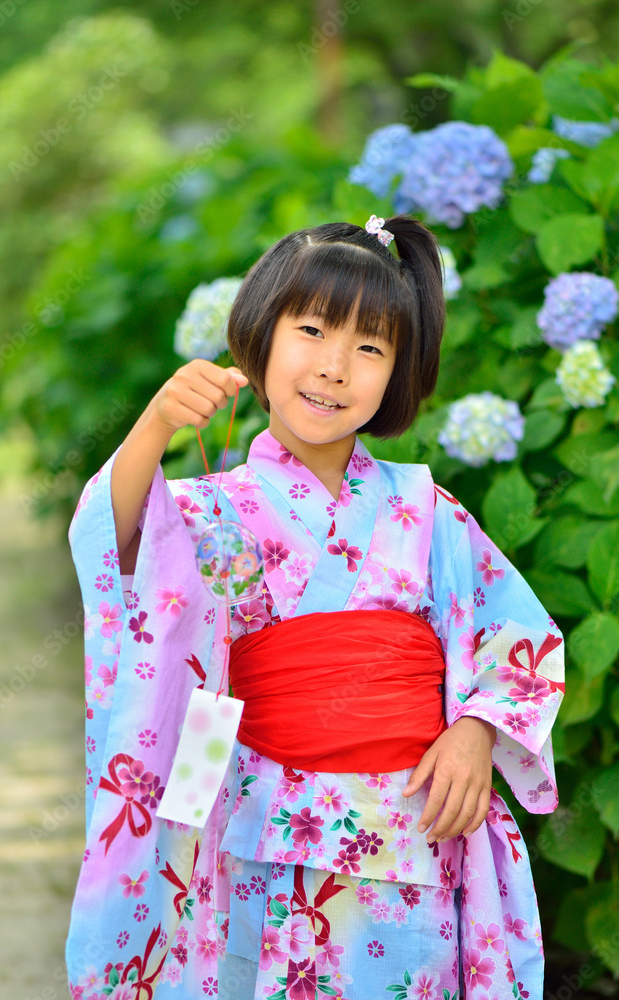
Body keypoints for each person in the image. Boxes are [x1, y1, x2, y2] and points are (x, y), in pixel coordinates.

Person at [66, 215, 564, 1000]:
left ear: (398, 372)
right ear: (258, 340)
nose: (335, 367)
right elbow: (119, 544)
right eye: (311, 330)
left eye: (370, 347)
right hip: (257, 819)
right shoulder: (212, 511)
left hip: (411, 830)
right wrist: (157, 423)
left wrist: (476, 730)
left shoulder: (426, 511)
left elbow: (519, 639)